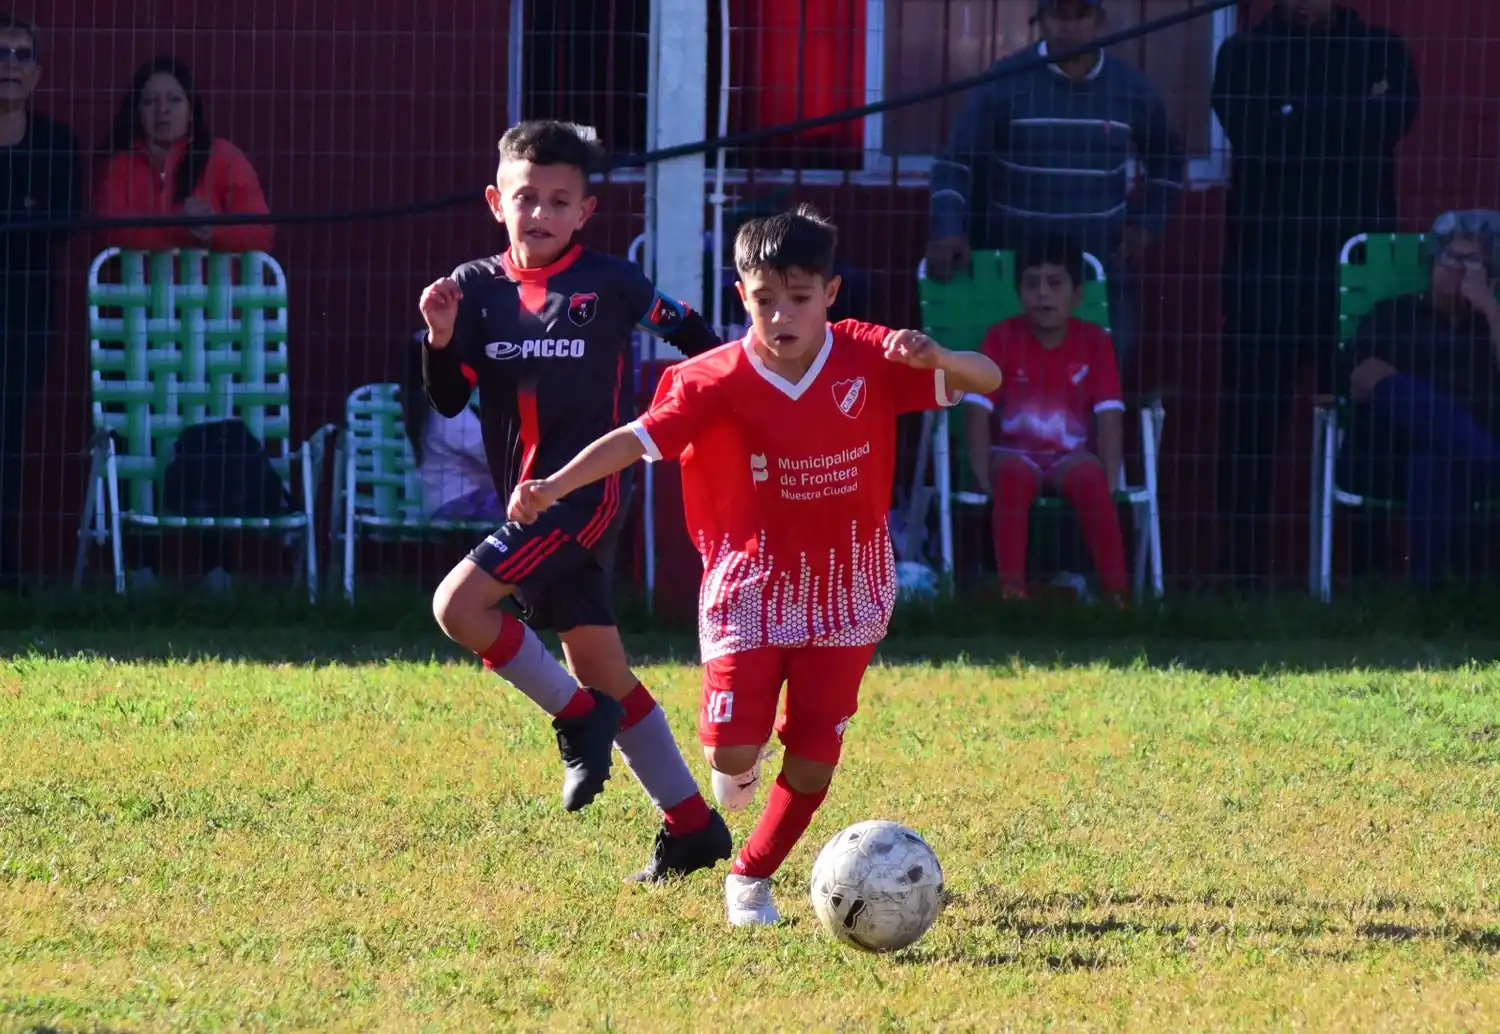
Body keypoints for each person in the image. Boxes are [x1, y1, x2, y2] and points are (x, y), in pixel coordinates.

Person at [506, 206, 1002, 927]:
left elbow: (987, 377)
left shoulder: (870, 356)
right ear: (742, 297)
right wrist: (554, 485)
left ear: (830, 294)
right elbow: (632, 440)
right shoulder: (710, 379)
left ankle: (750, 876)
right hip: (750, 584)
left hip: (848, 586)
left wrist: (941, 361)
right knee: (734, 749)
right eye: (764, 299)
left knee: (810, 763)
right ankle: (736, 765)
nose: (781, 315)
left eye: (798, 298)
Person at [418, 120, 730, 883]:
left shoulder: (614, 283)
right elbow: (451, 399)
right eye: (526, 197)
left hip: (585, 497)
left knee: (458, 607)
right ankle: (691, 826)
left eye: (560, 201)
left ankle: (578, 720)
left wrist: (722, 406)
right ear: (497, 201)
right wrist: (438, 335)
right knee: (602, 666)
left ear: (586, 212)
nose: (541, 214)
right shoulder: (474, 288)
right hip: (524, 506)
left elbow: (698, 338)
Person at [1211, 0, 1419, 585]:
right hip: (1265, 261)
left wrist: (1293, 115)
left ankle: (1370, 575)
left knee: (1367, 415)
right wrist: (1352, 115)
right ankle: (1241, 576)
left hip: (1357, 269)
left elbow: (1391, 124)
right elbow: (1253, 137)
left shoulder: (1384, 50)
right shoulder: (1243, 52)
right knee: (1252, 415)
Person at [925, 0, 1185, 375]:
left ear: (1099, 22)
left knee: (1097, 391)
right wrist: (948, 229)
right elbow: (955, 162)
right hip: (1015, 276)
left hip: (1099, 272)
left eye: (1081, 16)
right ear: (1040, 21)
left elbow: (1168, 157)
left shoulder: (1129, 88)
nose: (1070, 28)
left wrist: (1148, 222)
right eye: (1059, 16)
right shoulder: (1006, 80)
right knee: (1010, 393)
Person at [1336, 211, 1500, 587]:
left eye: (1471, 260)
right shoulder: (1395, 314)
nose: (1458, 268)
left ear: (1489, 271)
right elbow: (1360, 378)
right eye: (1450, 257)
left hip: (1460, 466)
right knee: (1392, 386)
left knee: (1433, 455)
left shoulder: (1491, 325)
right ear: (1433, 261)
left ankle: (1428, 598)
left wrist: (1490, 308)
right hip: (1387, 456)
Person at [963, 235, 1127, 600]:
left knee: (1091, 479)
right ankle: (1012, 593)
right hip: (1013, 453)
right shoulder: (1001, 338)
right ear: (1018, 291)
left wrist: (1111, 478)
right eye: (1031, 283)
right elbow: (977, 409)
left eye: (1055, 283)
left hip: (1072, 456)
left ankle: (1119, 597)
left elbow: (1110, 414)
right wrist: (980, 474)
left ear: (1077, 295)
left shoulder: (1095, 342)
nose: (1043, 294)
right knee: (1011, 477)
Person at [0, 13, 82, 591]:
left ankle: (6, 570)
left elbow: (63, 223)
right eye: (0, 54)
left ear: (38, 72)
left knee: (7, 437)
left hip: (24, 314)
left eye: (21, 55)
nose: (9, 66)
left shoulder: (56, 144)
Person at [96, 54, 274, 254]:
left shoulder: (224, 157)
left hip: (213, 285)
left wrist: (213, 228)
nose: (162, 109)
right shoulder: (120, 165)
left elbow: (262, 232)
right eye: (149, 101)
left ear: (191, 111)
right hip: (140, 284)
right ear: (137, 112)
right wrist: (181, 226)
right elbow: (110, 232)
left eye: (174, 100)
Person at [398, 329, 501, 521]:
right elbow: (490, 455)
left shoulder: (423, 408)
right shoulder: (447, 412)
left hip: (445, 502)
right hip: (460, 503)